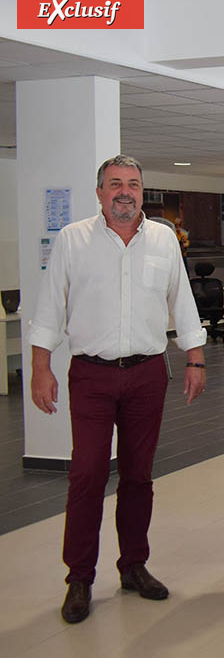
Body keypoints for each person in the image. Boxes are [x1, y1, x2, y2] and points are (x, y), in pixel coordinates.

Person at [28, 154, 208, 624]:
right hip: (91, 375)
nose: (124, 192)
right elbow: (49, 307)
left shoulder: (163, 240)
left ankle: (133, 566)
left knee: (138, 475)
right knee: (87, 474)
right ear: (100, 192)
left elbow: (181, 300)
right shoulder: (73, 240)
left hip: (147, 373)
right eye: (115, 184)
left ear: (142, 192)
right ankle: (79, 577)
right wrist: (40, 367)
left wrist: (195, 357)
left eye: (132, 184)